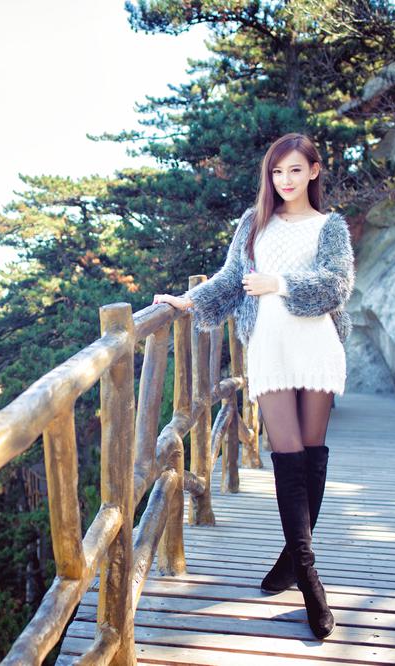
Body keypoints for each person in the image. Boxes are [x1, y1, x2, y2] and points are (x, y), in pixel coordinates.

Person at [152, 132, 355, 640]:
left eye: (295, 170)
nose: (285, 180)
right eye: (277, 171)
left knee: (312, 456)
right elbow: (229, 280)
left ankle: (293, 560)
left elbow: (337, 285)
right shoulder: (253, 223)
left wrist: (278, 283)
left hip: (316, 345)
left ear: (313, 171)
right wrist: (187, 301)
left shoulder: (330, 227)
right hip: (268, 347)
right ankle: (311, 583)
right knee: (287, 457)